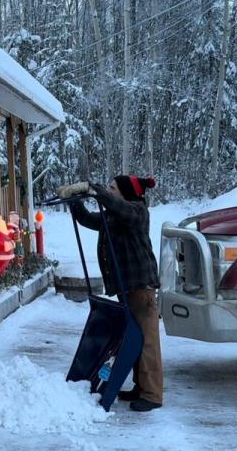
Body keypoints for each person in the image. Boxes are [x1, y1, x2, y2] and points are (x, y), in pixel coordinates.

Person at [57, 175, 163, 412]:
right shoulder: (115, 217)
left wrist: (93, 189)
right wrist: (74, 200)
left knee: (147, 343)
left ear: (126, 193)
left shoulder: (136, 212)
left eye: (113, 188)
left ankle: (153, 394)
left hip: (141, 287)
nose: (109, 191)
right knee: (132, 340)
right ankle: (140, 386)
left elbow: (118, 206)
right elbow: (87, 219)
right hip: (127, 287)